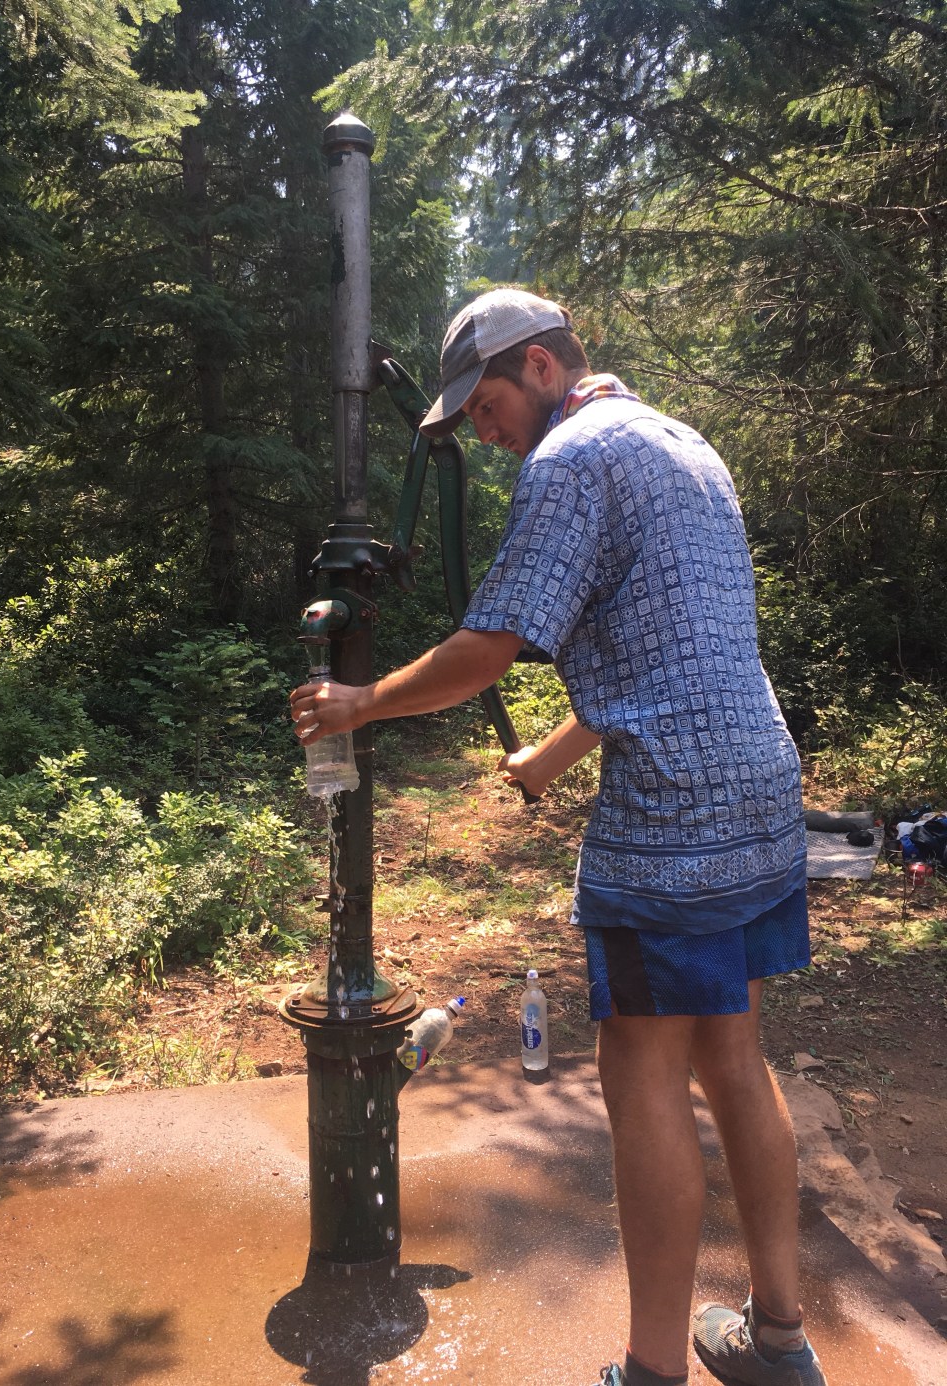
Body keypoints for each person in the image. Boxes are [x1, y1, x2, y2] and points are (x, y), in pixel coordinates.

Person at [290, 288, 827, 1386]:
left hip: (672, 817)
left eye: (485, 406)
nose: (483, 434)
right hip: (760, 789)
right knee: (733, 1055)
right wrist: (549, 754)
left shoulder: (571, 458)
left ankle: (651, 1370)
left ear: (540, 367)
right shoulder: (681, 443)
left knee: (642, 1078)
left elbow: (488, 647)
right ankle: (778, 1343)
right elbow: (669, 649)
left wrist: (360, 704)